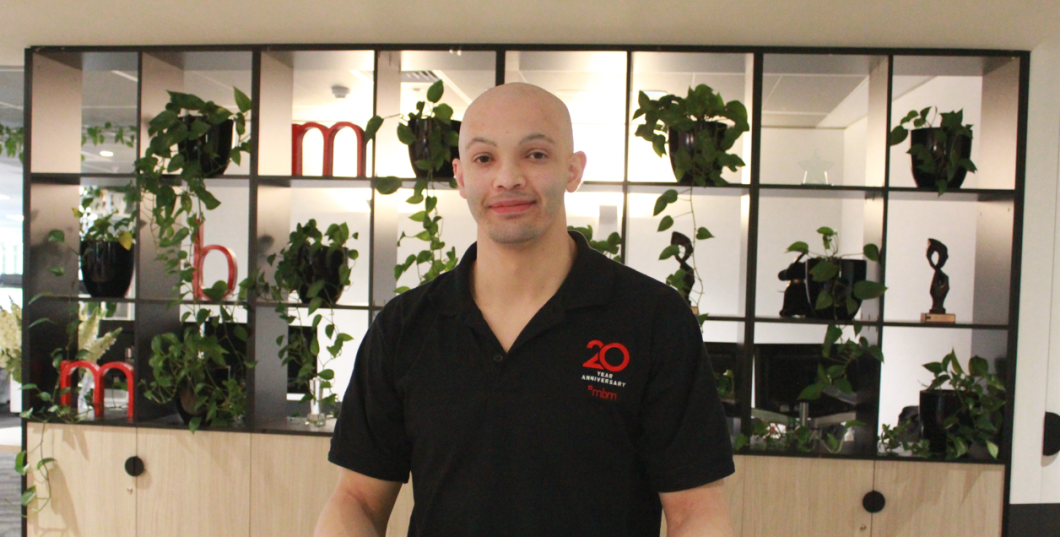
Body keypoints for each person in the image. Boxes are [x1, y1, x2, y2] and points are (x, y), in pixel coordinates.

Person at [315, 82, 735, 537]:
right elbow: (357, 500)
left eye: (535, 155)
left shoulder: (654, 319)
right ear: (460, 176)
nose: (508, 178)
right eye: (484, 158)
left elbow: (695, 511)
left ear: (572, 170)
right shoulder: (404, 327)